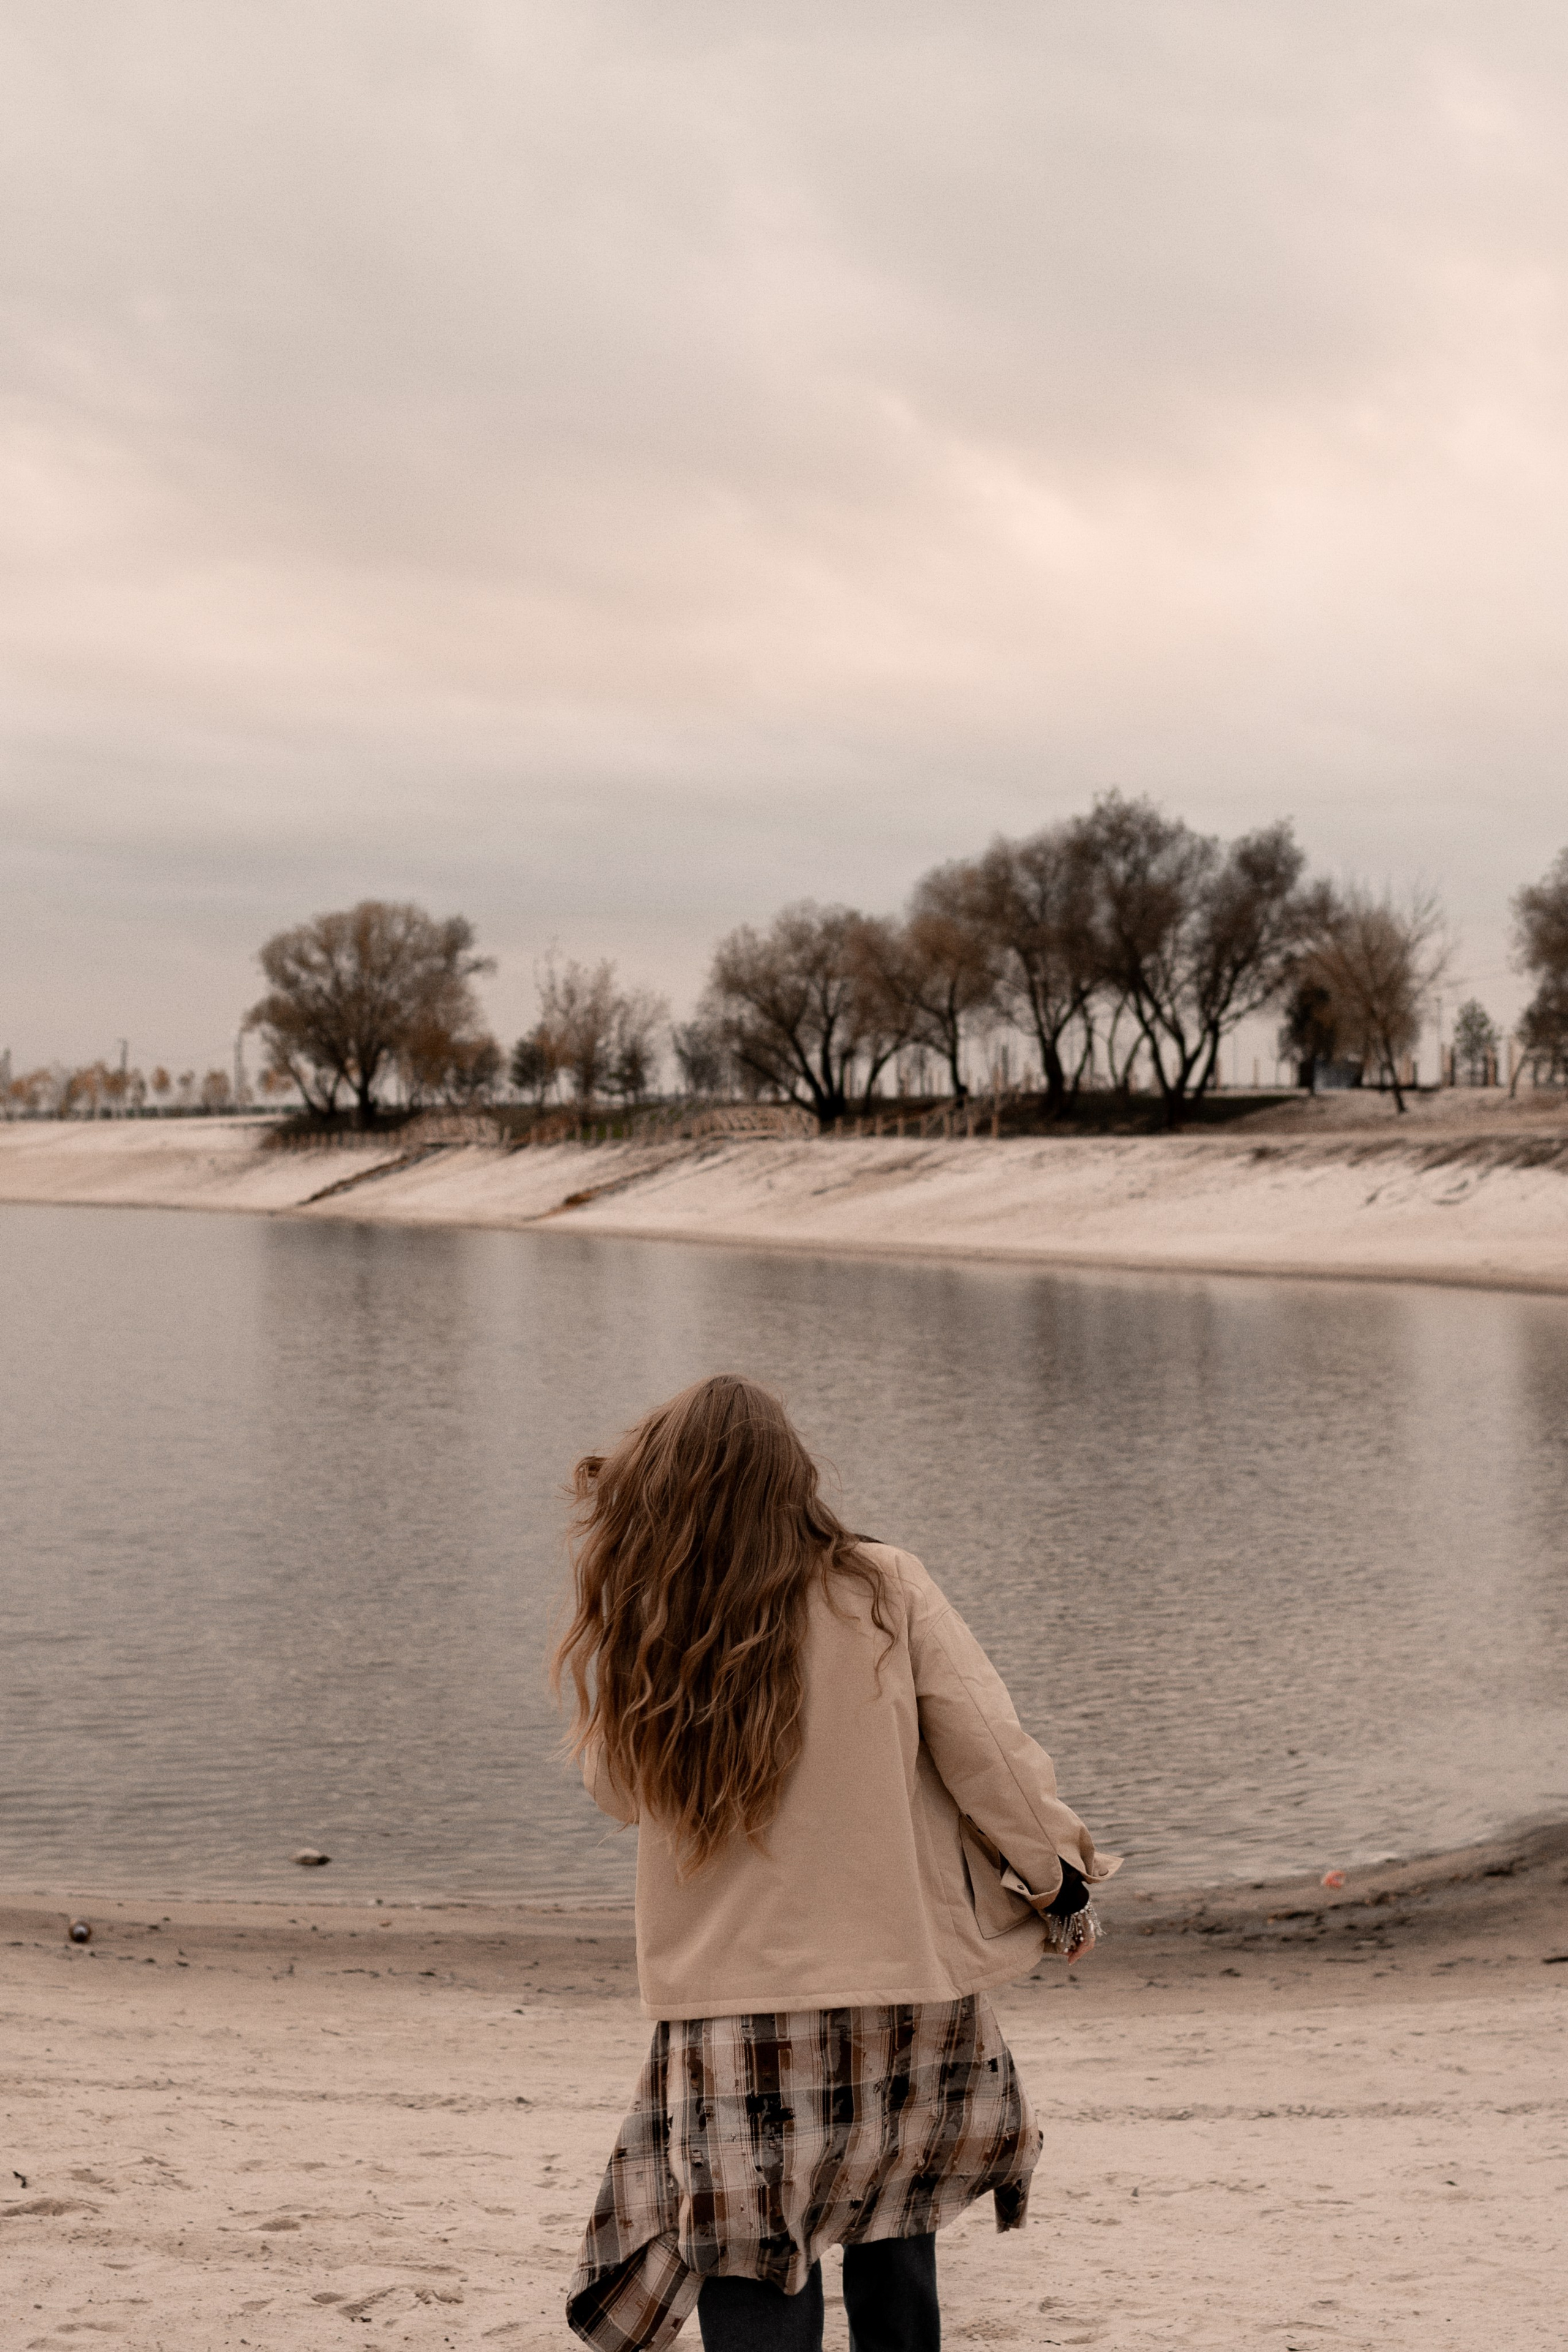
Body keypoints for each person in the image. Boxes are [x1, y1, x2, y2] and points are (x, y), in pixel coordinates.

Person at [559, 1373, 1119, 2352]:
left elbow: (617, 1792)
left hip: (731, 2008)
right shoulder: (882, 1586)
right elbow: (990, 1755)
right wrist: (1059, 1883)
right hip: (901, 1987)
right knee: (895, 2231)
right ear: (795, 1476)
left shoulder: (657, 1612)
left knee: (752, 2258)